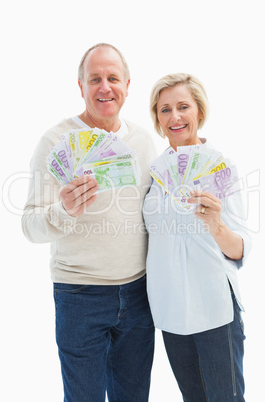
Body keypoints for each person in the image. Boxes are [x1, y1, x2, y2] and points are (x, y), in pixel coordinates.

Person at [22, 43, 156, 402]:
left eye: (113, 78)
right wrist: (64, 210)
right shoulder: (56, 141)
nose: (104, 87)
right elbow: (29, 224)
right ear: (80, 86)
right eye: (94, 79)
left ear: (128, 84)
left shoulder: (143, 142)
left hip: (138, 294)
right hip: (79, 295)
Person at [143, 73, 251, 401]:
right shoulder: (154, 172)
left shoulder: (220, 166)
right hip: (171, 310)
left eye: (183, 107)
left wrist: (216, 224)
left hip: (214, 309)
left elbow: (239, 250)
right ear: (158, 120)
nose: (174, 116)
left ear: (199, 113)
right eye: (164, 110)